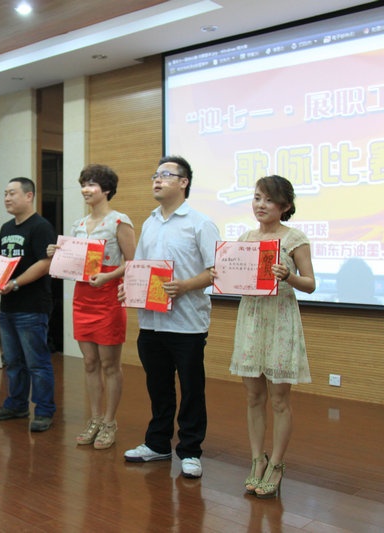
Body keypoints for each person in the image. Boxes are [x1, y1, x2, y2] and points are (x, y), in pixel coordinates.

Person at [121, 156, 220, 480]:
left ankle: (190, 451)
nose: (157, 180)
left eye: (166, 175)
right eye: (155, 174)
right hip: (151, 321)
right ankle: (157, 443)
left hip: (187, 323)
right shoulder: (149, 223)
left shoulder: (200, 223)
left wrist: (185, 285)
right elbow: (140, 269)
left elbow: (216, 271)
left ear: (183, 182)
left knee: (191, 389)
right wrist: (129, 288)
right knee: (158, 386)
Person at [225, 175, 315, 498]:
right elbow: (235, 278)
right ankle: (257, 459)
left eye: (268, 200)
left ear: (285, 206)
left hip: (280, 320)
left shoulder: (294, 239)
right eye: (256, 198)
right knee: (253, 396)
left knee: (279, 399)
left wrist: (288, 275)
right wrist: (224, 272)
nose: (260, 205)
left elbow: (310, 284)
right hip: (251, 319)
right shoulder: (246, 238)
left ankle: (276, 463)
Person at [47, 164, 136, 449]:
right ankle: (95, 419)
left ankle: (110, 421)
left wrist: (108, 276)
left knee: (110, 364)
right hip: (83, 296)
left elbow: (133, 262)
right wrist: (55, 253)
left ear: (106, 189)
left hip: (108, 297)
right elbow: (74, 261)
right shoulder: (78, 224)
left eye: (91, 184)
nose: (86, 189)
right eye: (83, 184)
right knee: (89, 362)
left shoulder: (120, 221)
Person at [0, 177, 57, 432]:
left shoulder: (41, 227)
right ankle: (16, 405)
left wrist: (15, 283)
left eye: (12, 193)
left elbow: (45, 263)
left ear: (29, 196)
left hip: (32, 306)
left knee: (37, 363)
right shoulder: (6, 228)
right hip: (8, 305)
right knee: (13, 361)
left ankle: (44, 411)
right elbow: (2, 263)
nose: (7, 198)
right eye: (5, 193)